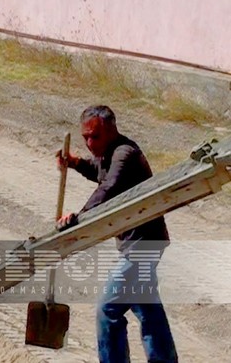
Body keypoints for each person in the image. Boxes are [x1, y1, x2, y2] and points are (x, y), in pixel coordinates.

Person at [56, 105, 177, 363]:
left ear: (112, 130)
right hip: (141, 245)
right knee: (147, 310)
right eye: (85, 137)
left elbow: (109, 187)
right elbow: (99, 171)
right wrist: (76, 163)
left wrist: (78, 218)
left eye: (95, 136)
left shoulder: (125, 153)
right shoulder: (108, 153)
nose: (89, 143)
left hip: (142, 247)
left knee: (107, 309)